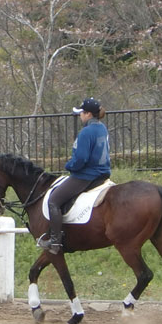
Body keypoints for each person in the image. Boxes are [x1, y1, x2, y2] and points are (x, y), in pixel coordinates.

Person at [38, 97, 111, 254]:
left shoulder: (86, 132)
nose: (80, 116)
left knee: (54, 200)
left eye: (81, 113)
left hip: (86, 176)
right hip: (102, 175)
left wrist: (69, 165)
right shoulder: (102, 128)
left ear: (88, 114)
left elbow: (81, 159)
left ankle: (55, 242)